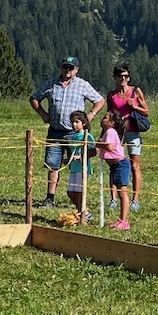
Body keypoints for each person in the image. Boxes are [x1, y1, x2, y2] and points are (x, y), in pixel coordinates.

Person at [30, 56, 104, 208]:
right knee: (53, 164)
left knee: (76, 164)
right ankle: (50, 198)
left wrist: (91, 115)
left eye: (71, 68)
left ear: (77, 70)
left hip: (75, 134)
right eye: (65, 67)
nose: (67, 70)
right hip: (55, 131)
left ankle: (78, 198)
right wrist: (43, 114)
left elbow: (99, 100)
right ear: (61, 68)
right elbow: (34, 98)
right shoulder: (51, 84)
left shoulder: (82, 85)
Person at [108, 65, 151, 210]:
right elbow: (110, 115)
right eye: (120, 76)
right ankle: (113, 199)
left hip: (133, 131)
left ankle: (136, 200)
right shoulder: (111, 95)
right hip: (116, 133)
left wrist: (135, 106)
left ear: (129, 78)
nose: (123, 79)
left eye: (126, 76)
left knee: (135, 165)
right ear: (115, 77)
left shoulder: (136, 91)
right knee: (115, 165)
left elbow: (147, 112)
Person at [61, 110, 96, 224]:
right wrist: (68, 159)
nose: (74, 124)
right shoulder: (73, 136)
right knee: (71, 192)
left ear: (84, 123)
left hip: (83, 168)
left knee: (79, 192)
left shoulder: (87, 136)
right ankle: (82, 211)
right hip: (74, 168)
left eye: (77, 122)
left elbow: (93, 152)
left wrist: (81, 156)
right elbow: (72, 151)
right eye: (72, 122)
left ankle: (84, 214)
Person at [98, 114, 132, 230]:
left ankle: (124, 222)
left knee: (123, 193)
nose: (103, 119)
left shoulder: (110, 131)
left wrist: (96, 144)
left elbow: (110, 147)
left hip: (120, 165)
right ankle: (121, 220)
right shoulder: (107, 132)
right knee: (119, 191)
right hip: (114, 166)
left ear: (111, 123)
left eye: (105, 117)